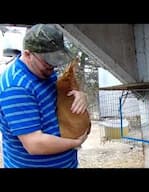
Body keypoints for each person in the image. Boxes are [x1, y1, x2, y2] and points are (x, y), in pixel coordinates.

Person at [0, 24, 89, 168]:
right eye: (47, 61)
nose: (52, 66)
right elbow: (35, 144)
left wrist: (80, 96)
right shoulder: (16, 88)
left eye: (55, 60)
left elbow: (57, 102)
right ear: (28, 54)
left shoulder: (43, 71)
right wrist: (75, 143)